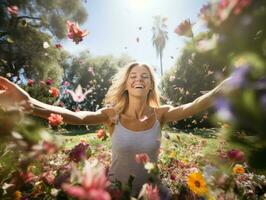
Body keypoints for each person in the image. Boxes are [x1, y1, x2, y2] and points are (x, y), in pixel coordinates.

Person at [0, 62, 230, 199]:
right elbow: (77, 116)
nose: (139, 79)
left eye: (145, 76)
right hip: (115, 192)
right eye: (133, 76)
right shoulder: (112, 115)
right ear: (127, 85)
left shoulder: (161, 114)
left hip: (151, 192)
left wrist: (223, 87)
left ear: (150, 85)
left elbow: (194, 105)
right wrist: (31, 103)